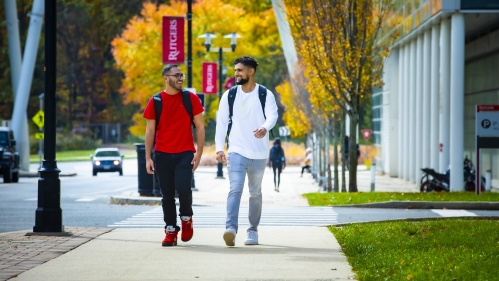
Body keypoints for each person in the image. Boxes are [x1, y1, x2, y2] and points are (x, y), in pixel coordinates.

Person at [215, 56, 278, 247]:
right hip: (236, 150)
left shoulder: (265, 94)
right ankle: (230, 229)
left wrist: (265, 128)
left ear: (251, 71)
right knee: (235, 189)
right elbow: (222, 123)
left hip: (258, 153)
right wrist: (219, 148)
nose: (236, 74)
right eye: (235, 70)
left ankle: (252, 231)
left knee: (255, 193)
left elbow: (273, 115)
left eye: (240, 70)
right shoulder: (230, 95)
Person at [143, 64, 205, 247]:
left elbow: (200, 127)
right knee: (167, 195)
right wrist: (148, 157)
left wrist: (199, 153)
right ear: (165, 78)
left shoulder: (189, 98)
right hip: (162, 154)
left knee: (184, 189)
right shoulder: (155, 101)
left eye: (182, 75)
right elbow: (150, 130)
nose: (180, 78)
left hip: (184, 153)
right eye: (176, 75)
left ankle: (186, 218)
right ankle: (170, 230)